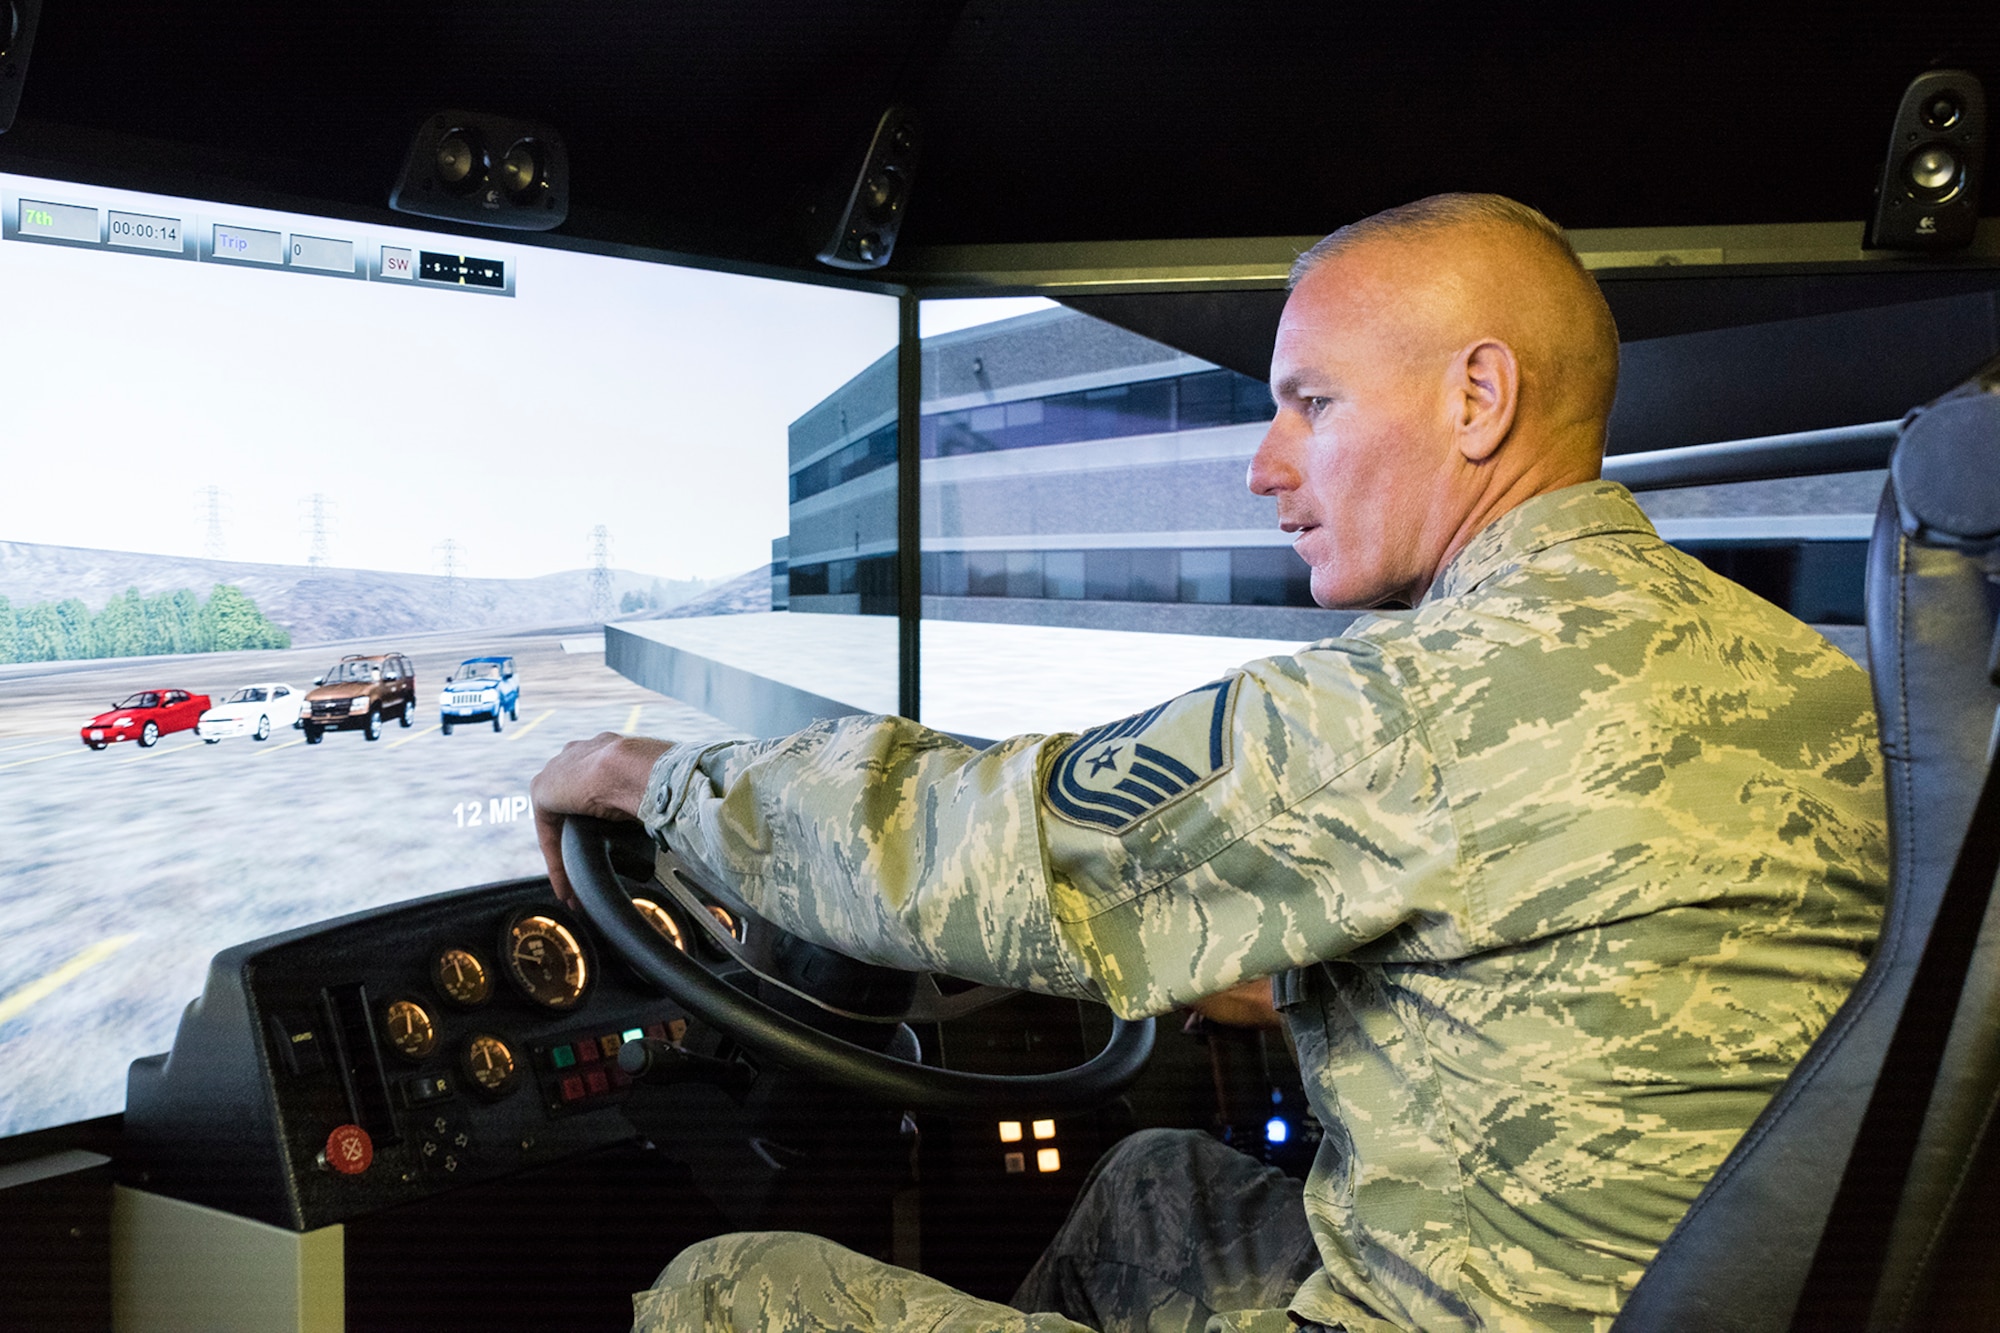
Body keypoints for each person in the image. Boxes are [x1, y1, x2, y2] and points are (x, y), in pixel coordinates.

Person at [532, 194, 1887, 1333]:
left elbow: (970, 844)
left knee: (728, 1289)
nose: (1262, 464)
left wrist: (645, 776)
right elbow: (1578, 937)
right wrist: (1298, 969)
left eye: (1311, 403)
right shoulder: (1803, 677)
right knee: (1155, 1193)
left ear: (1479, 396)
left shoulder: (1414, 705)